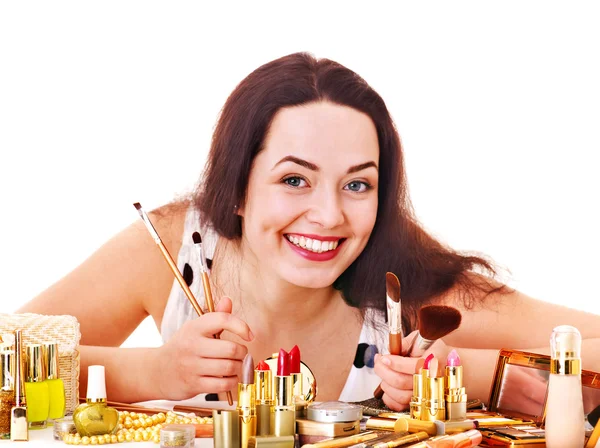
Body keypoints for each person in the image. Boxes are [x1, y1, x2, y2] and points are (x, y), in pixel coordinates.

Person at [18, 52, 600, 410]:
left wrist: (467, 374)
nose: (328, 216)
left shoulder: (409, 294)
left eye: (357, 185)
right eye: (295, 180)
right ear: (239, 186)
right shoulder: (174, 244)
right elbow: (7, 358)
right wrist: (155, 371)